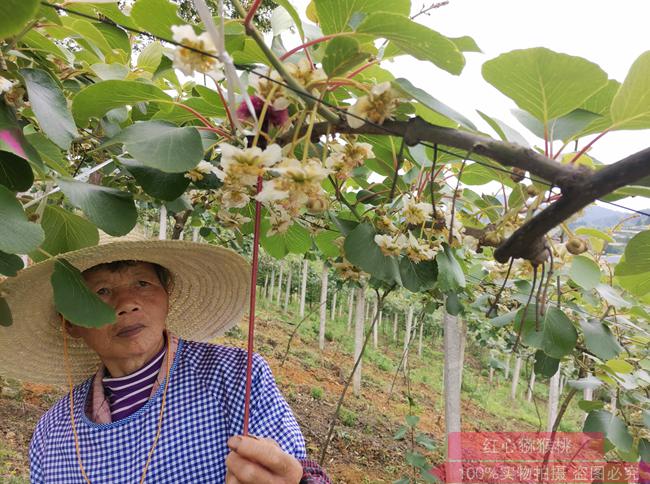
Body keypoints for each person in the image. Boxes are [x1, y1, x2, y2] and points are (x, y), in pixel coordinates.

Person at [0, 237, 330, 482]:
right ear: (70, 321)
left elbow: (292, 469)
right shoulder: (52, 433)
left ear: (166, 294)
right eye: (101, 291)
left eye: (142, 283)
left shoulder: (235, 378)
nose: (127, 304)